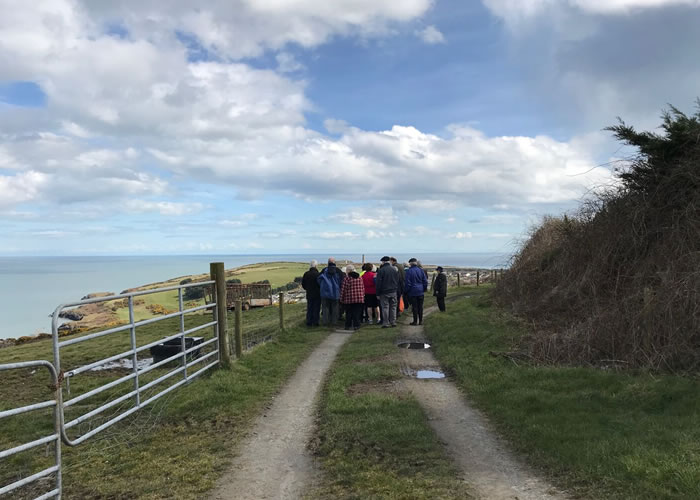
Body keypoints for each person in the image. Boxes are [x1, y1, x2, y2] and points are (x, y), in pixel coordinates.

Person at [317, 257, 342, 327]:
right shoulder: (338, 271)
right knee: (335, 308)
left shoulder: (324, 270)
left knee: (325, 308)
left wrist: (322, 286)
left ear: (328, 263)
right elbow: (342, 281)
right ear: (335, 263)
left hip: (325, 292)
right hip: (335, 293)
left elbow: (318, 279)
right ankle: (334, 322)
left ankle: (325, 322)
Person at [375, 256, 399, 328]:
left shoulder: (381, 270)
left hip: (384, 292)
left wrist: (377, 293)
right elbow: (397, 280)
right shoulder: (394, 269)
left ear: (383, 262)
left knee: (385, 307)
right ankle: (393, 322)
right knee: (393, 307)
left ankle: (386, 323)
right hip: (393, 291)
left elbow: (378, 283)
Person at [340, 264, 365, 330]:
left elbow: (343, 289)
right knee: (357, 313)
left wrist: (341, 299)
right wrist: (362, 295)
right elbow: (362, 288)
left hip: (349, 299)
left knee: (349, 313)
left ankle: (347, 326)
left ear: (348, 271)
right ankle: (356, 325)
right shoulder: (360, 277)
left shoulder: (347, 279)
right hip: (359, 298)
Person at [405, 258, 428, 325]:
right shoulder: (421, 270)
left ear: (410, 263)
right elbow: (425, 281)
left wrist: (406, 291)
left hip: (413, 292)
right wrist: (424, 288)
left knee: (414, 307)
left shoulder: (409, 271)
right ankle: (420, 321)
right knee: (420, 306)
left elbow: (408, 283)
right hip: (420, 291)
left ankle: (415, 321)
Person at [301, 260, 321, 326]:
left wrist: (307, 289)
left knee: (309, 308)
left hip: (309, 293)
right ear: (316, 266)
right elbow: (320, 284)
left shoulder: (306, 274)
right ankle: (316, 322)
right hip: (317, 294)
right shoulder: (318, 274)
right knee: (316, 308)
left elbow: (303, 284)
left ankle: (309, 322)